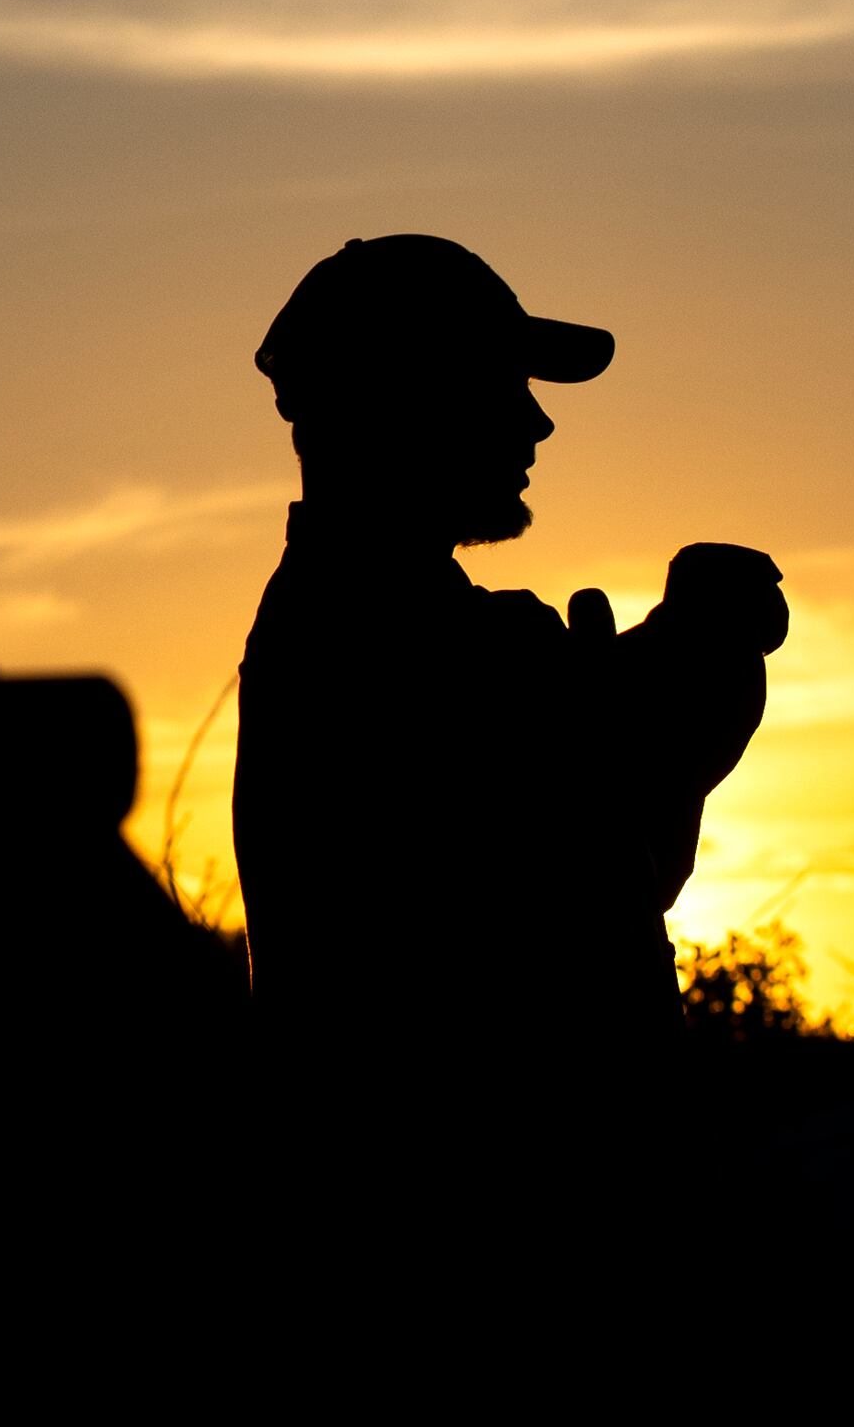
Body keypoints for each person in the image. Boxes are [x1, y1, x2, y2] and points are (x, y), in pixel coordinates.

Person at [230, 235, 784, 1195]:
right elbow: (626, 767)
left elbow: (611, 823)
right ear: (406, 400)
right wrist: (711, 631)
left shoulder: (370, 628)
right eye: (499, 384)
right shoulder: (394, 647)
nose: (537, 424)